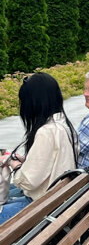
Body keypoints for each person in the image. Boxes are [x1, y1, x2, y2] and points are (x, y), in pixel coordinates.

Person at [0, 72, 78, 225]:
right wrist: (25, 161)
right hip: (56, 202)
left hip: (42, 209)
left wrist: (12, 163)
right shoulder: (64, 125)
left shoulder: (46, 131)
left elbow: (28, 182)